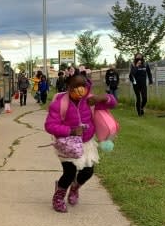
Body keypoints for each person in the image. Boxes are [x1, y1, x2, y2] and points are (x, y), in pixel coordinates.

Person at [44, 74, 117, 213]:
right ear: (68, 87)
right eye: (75, 86)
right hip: (68, 143)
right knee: (69, 172)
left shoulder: (90, 100)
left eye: (82, 86)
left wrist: (104, 97)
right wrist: (70, 130)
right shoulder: (60, 103)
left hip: (86, 142)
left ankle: (75, 188)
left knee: (88, 171)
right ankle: (58, 197)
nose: (79, 89)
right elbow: (49, 126)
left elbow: (113, 103)